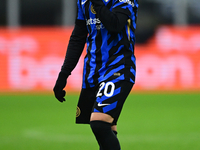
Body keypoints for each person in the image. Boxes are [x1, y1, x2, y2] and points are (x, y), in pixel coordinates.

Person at [53, 0, 139, 149]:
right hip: (93, 72)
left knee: (99, 123)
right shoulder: (83, 2)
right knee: (107, 129)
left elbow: (115, 25)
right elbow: (78, 37)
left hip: (119, 67)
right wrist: (63, 74)